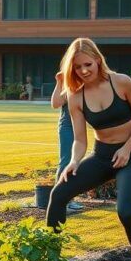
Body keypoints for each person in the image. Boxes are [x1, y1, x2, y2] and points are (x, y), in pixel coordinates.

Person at [46, 38, 131, 261]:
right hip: (102, 156)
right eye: (77, 68)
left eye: (87, 64)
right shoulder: (75, 96)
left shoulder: (121, 82)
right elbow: (80, 139)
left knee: (126, 212)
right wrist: (73, 161)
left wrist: (127, 148)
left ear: (97, 59)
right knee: (58, 194)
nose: (83, 71)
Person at [51, 71, 83, 212]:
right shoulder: (69, 86)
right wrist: (59, 82)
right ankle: (61, 201)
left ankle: (69, 199)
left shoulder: (87, 85)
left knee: (76, 162)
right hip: (67, 127)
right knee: (66, 162)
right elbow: (55, 103)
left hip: (80, 127)